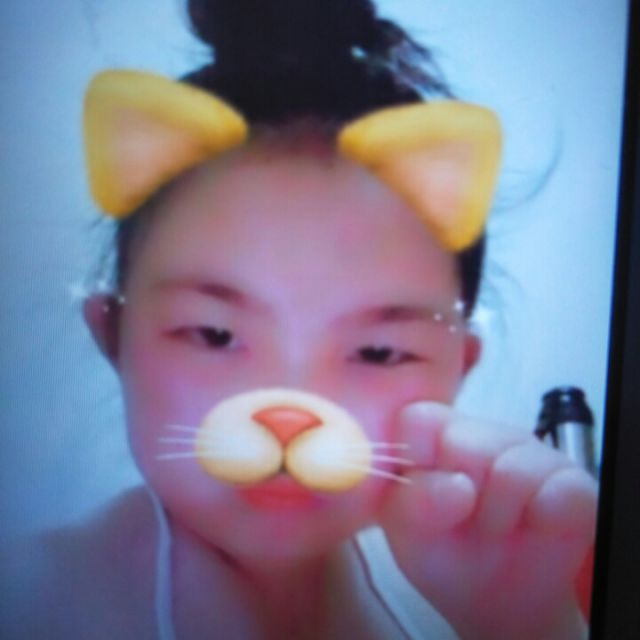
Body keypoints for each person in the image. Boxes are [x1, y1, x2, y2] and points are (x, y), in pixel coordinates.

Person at [1, 1, 596, 638]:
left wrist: (531, 627)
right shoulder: (26, 598)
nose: (290, 410)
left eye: (376, 352)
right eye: (215, 335)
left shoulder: (470, 598)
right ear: (114, 336)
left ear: (459, 369)